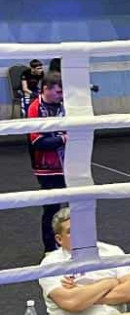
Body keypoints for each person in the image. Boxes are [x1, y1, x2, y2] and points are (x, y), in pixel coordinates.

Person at [38, 207, 130, 315]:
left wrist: (84, 294)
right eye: (71, 231)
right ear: (59, 239)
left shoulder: (112, 251)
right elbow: (71, 302)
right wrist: (110, 283)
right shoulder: (50, 264)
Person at [28, 72, 67, 254]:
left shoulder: (66, 106)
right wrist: (64, 138)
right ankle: (50, 249)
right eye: (58, 92)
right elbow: (38, 142)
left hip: (69, 164)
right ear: (46, 89)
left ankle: (76, 244)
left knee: (78, 205)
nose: (61, 96)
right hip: (47, 168)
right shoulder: (35, 108)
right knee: (52, 208)